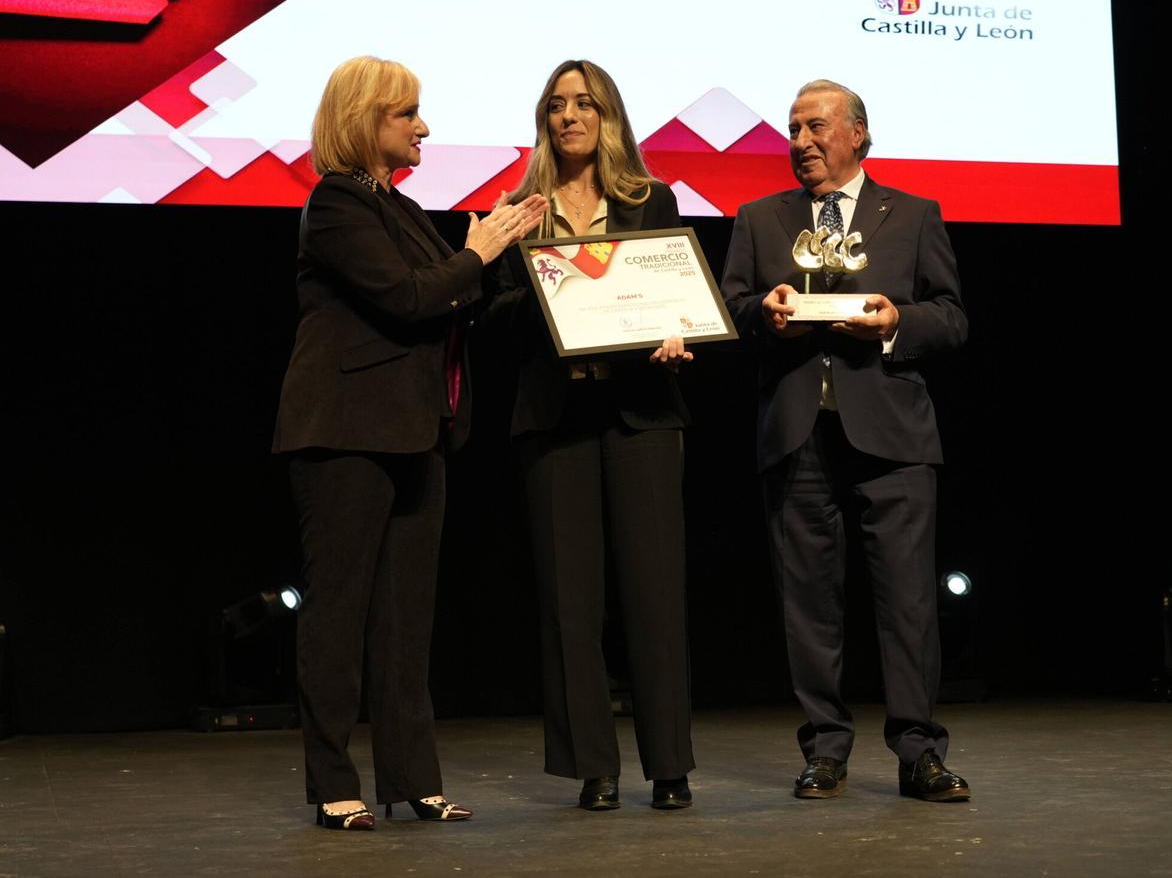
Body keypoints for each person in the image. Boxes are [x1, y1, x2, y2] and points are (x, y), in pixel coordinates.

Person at [272, 55, 546, 830]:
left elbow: (454, 300)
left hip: (416, 432)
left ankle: (413, 778)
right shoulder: (335, 206)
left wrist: (501, 252)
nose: (423, 127)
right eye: (407, 114)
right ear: (366, 120)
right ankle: (332, 783)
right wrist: (477, 252)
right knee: (338, 613)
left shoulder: (404, 209)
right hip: (346, 432)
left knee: (405, 618)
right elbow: (408, 297)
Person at [720, 79, 970, 802]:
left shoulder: (914, 214)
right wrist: (761, 312)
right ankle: (824, 749)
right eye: (792, 129)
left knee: (909, 602)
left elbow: (952, 317)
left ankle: (919, 751)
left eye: (815, 127)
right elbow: (731, 309)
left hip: (892, 433)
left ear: (857, 134)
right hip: (797, 431)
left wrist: (896, 320)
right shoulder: (760, 218)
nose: (800, 142)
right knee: (808, 604)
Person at [497, 59, 695, 811]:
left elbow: (676, 297)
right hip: (555, 419)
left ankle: (670, 765)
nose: (570, 116)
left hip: (641, 413)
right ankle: (595, 767)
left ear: (609, 116)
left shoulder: (651, 199)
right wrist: (547, 284)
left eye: (585, 103)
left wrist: (679, 334)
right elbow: (497, 317)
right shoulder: (522, 208)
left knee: (655, 595)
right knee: (568, 602)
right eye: (556, 105)